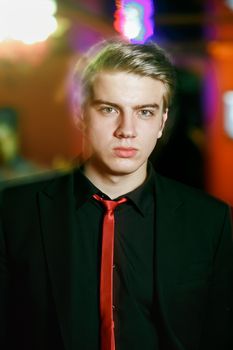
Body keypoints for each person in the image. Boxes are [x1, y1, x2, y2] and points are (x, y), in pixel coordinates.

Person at [0, 38, 232, 350]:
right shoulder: (13, 211)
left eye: (145, 112)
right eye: (109, 109)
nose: (127, 129)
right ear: (82, 113)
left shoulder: (209, 220)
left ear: (162, 122)